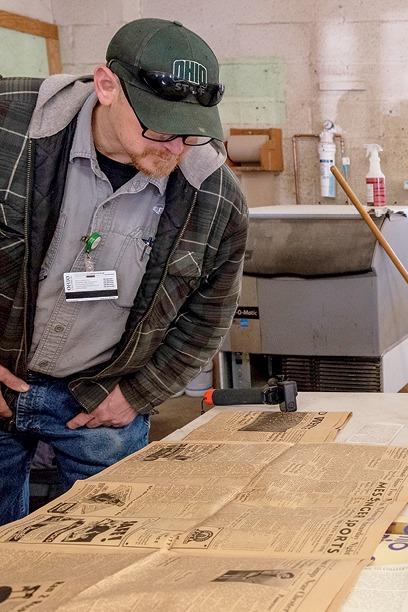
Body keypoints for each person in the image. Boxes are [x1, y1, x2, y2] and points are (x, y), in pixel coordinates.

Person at [0, 18, 247, 523]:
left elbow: (206, 319)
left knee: (98, 564)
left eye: (193, 136)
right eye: (160, 129)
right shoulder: (10, 127)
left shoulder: (215, 199)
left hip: (100, 406)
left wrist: (136, 395)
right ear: (107, 86)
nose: (176, 149)